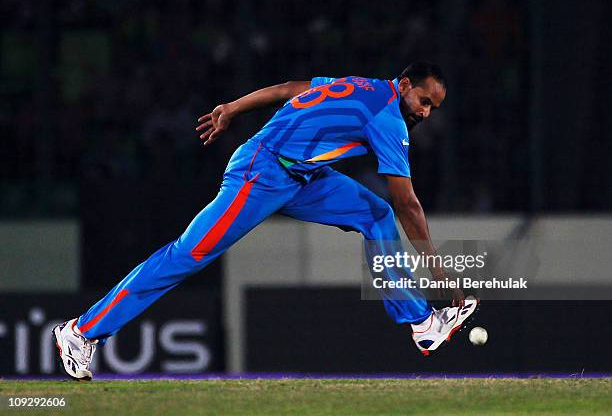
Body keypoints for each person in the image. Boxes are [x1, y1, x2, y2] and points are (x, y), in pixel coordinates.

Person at [53, 61, 478, 380]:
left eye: (433, 108)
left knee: (376, 215)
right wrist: (439, 271)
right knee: (188, 254)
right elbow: (409, 204)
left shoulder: (366, 87)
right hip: (262, 172)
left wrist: (233, 107)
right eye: (424, 102)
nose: (425, 114)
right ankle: (82, 332)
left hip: (304, 177)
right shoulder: (386, 119)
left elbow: (288, 88)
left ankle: (421, 322)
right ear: (404, 87)